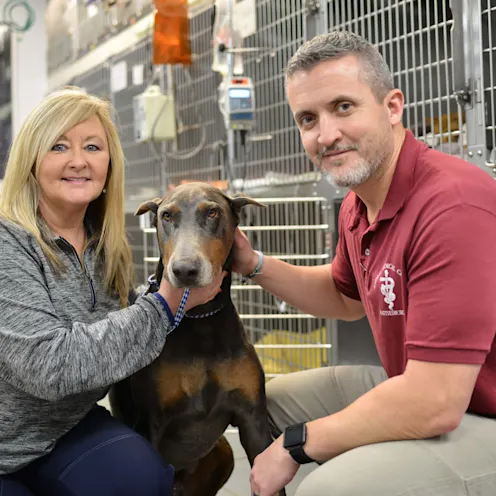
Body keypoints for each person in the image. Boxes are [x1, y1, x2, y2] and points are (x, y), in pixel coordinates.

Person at [231, 31, 496, 496]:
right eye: (308, 118)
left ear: (392, 107)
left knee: (330, 488)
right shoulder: (359, 204)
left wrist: (298, 445)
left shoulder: (452, 205)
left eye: (344, 107)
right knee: (250, 405)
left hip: (478, 413)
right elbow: (344, 297)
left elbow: (435, 403)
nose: (326, 134)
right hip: (424, 388)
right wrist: (251, 262)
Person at [0, 87, 225, 495]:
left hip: (65, 426)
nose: (78, 161)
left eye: (92, 146)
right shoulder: (7, 240)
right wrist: (165, 303)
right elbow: (50, 367)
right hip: (5, 446)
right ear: (31, 162)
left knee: (142, 478)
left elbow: (113, 324)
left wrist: (175, 290)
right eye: (58, 146)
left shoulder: (105, 244)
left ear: (109, 163)